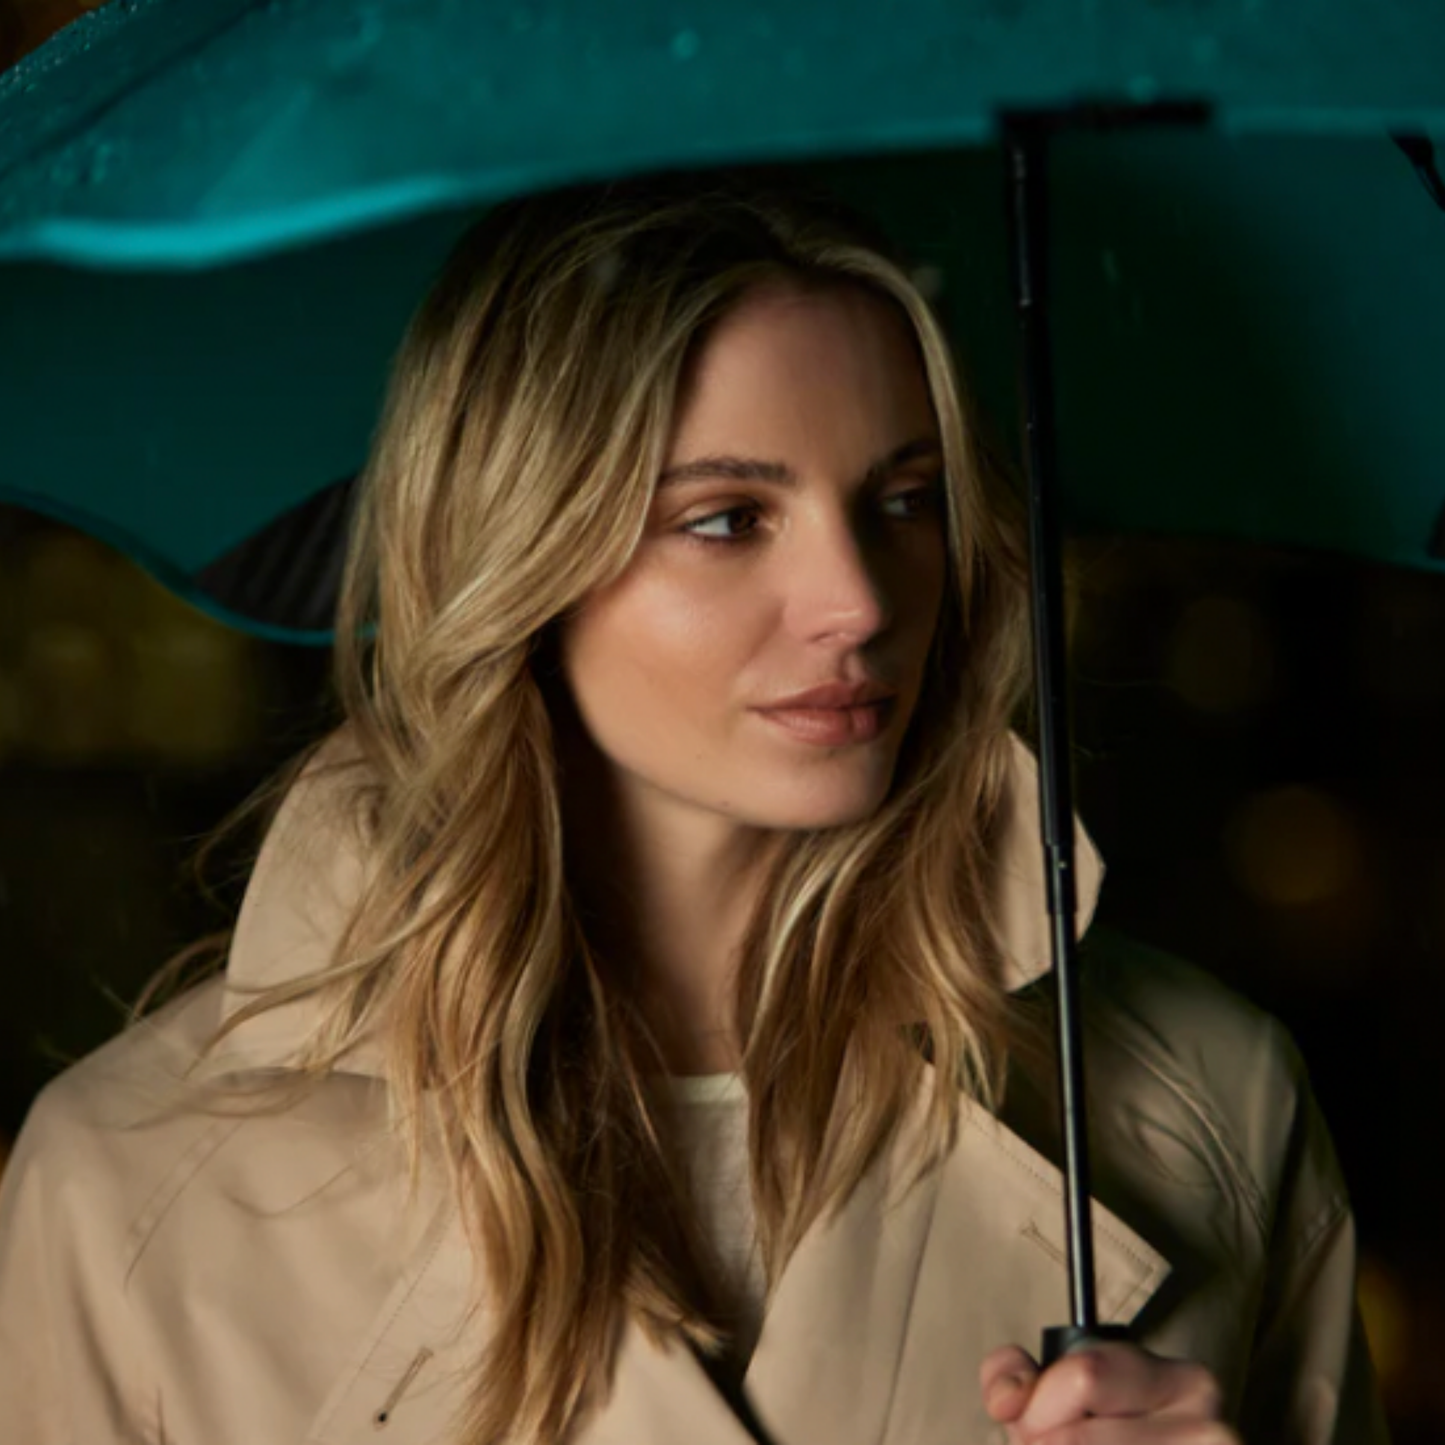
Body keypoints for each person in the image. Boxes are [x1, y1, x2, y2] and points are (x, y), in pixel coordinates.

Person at [0, 174, 1386, 1445]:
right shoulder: (130, 1191)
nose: (862, 603)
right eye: (728, 518)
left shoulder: (1204, 1104)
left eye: (904, 501)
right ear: (517, 559)